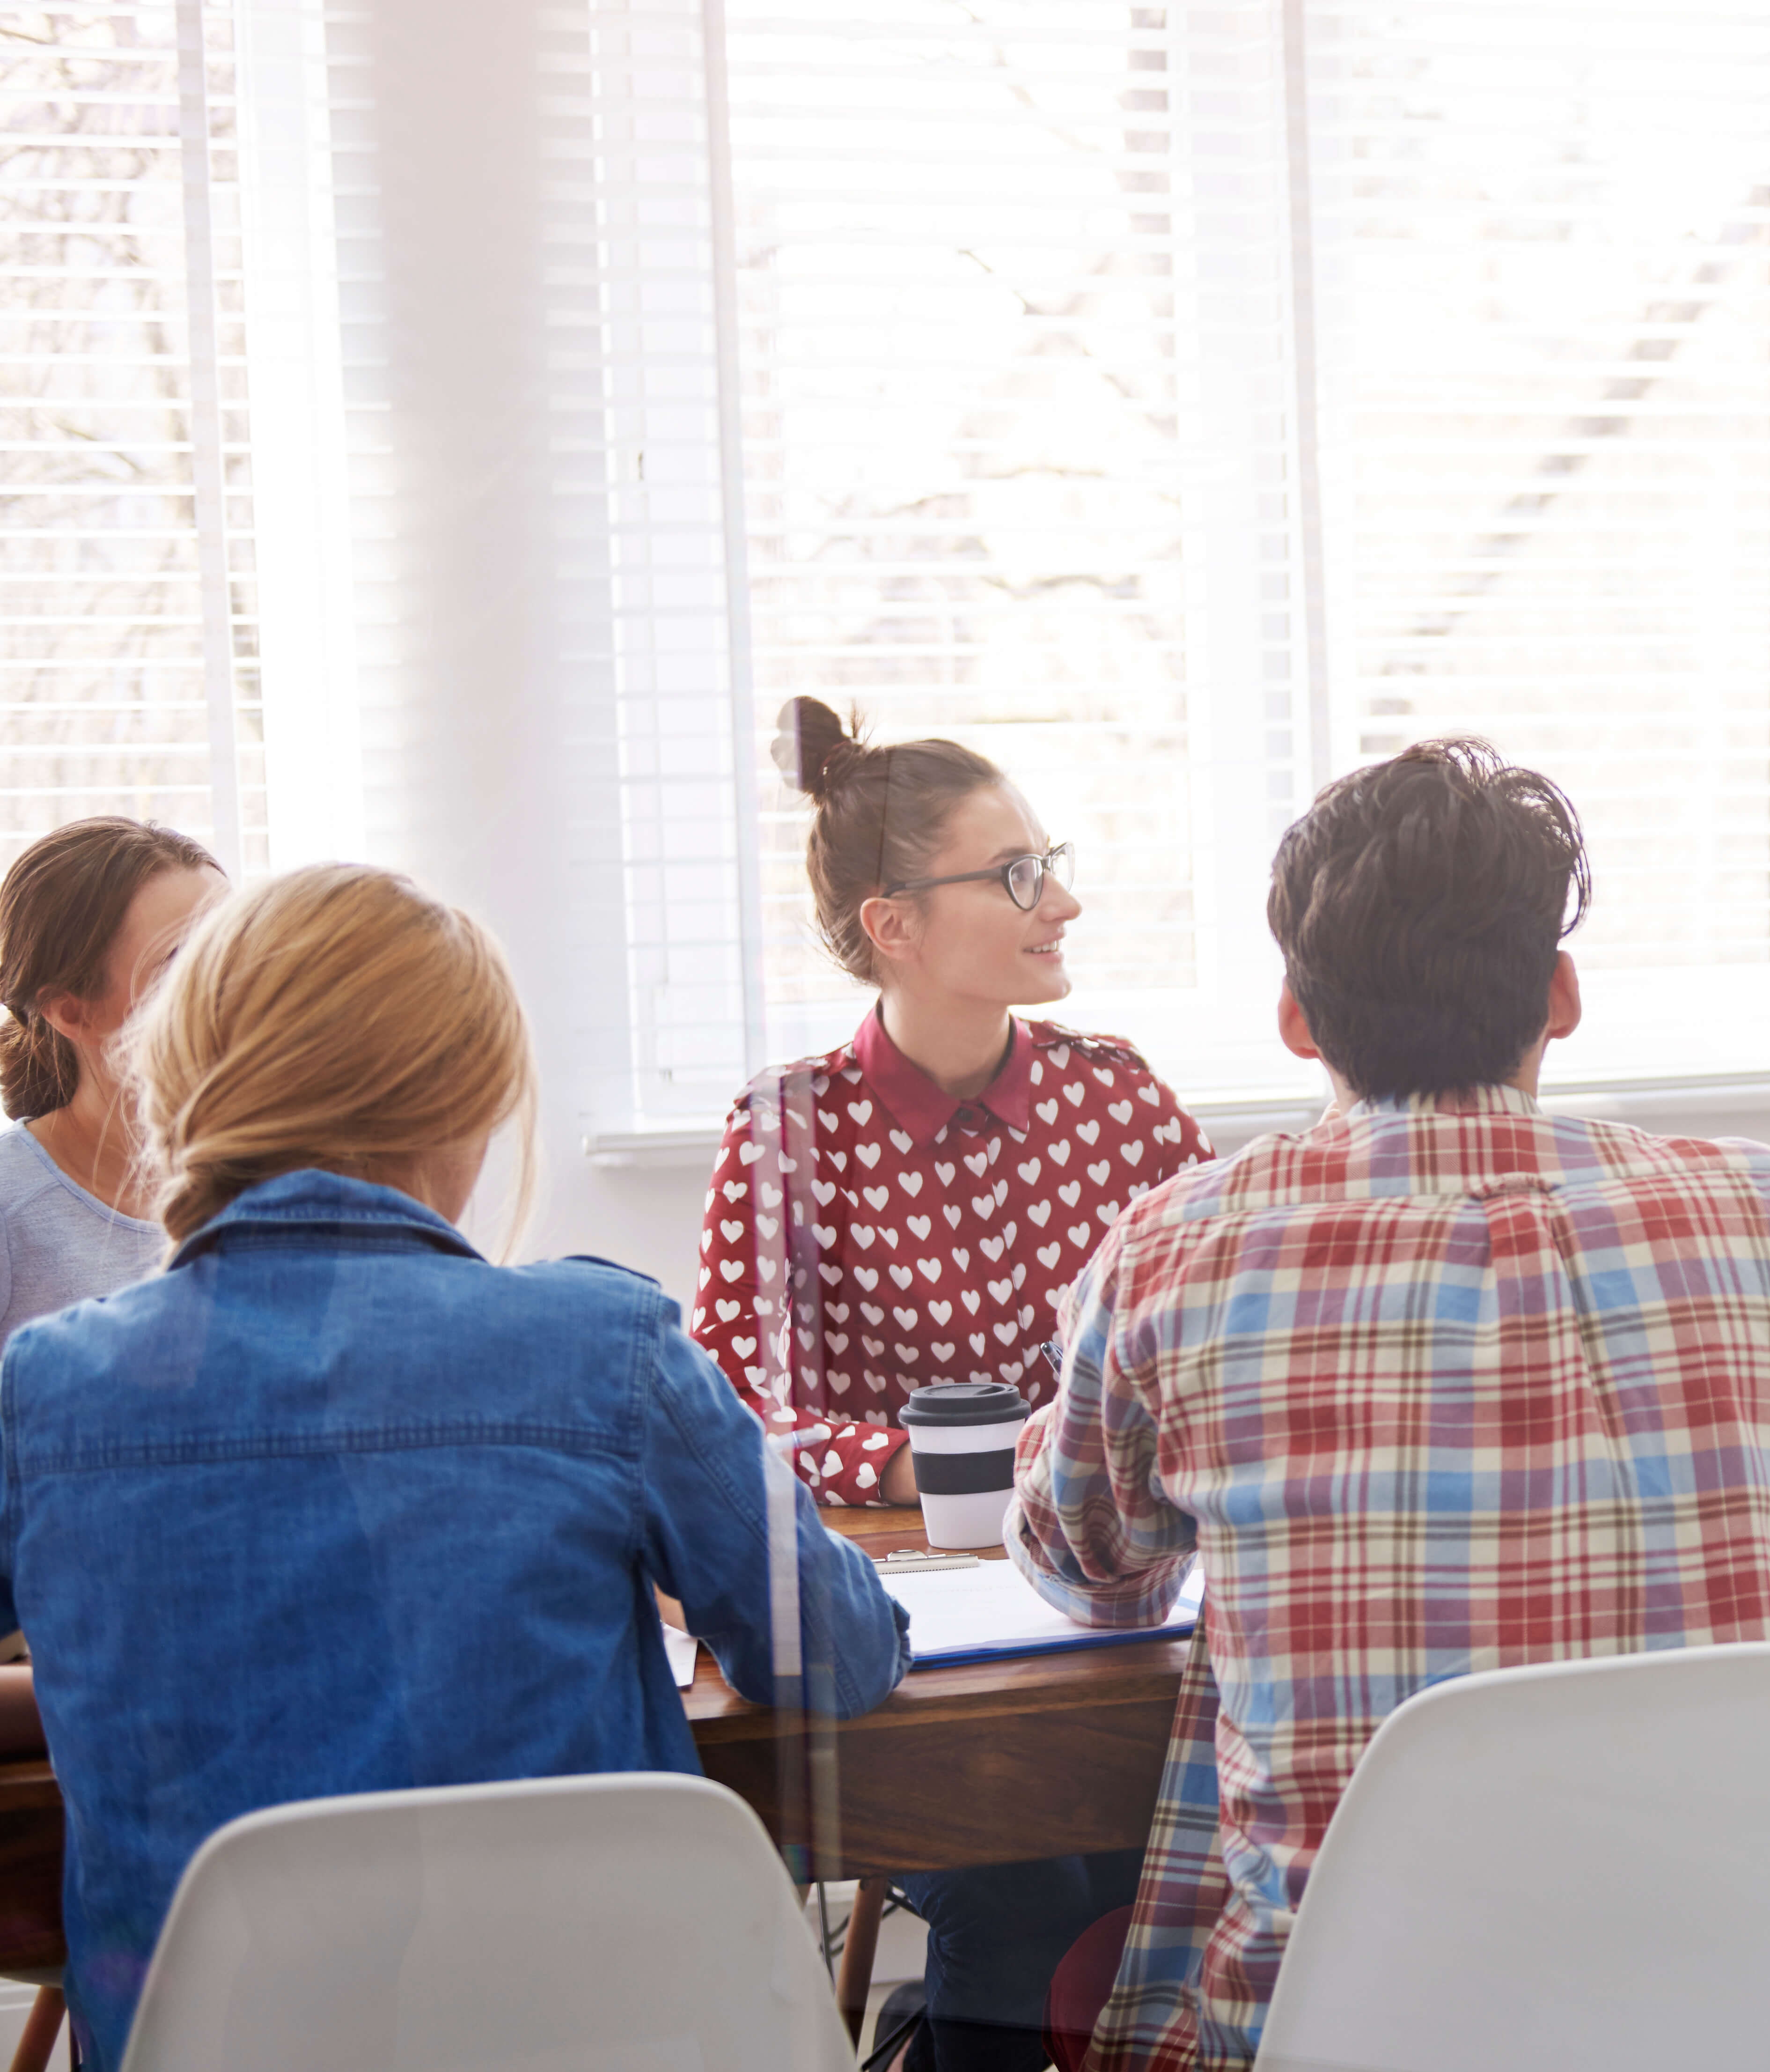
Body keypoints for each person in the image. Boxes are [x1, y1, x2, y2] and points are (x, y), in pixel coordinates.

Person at [1017, 739, 1770, 2072]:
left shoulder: (1171, 1252)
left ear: (1295, 1020)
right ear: (1558, 996)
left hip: (1352, 2031)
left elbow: (1093, 1573)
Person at [0, 863, 907, 2066]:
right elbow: (836, 1659)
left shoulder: (47, 1391)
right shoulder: (605, 1349)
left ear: (184, 1089)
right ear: (466, 1102)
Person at [689, 699, 1210, 2070]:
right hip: (908, 1658)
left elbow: (1200, 1360)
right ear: (894, 923)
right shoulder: (786, 1133)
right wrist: (924, 1464)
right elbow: (734, 1425)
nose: (1065, 901)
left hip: (1121, 1617)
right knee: (1026, 1874)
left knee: (1136, 1851)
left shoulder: (1124, 1102)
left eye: (1054, 860)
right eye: (1018, 874)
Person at [0, 818, 227, 1339]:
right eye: (182, 966)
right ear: (72, 1013)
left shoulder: (286, 1184)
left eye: (233, 948)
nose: (231, 989)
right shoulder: (11, 1208)